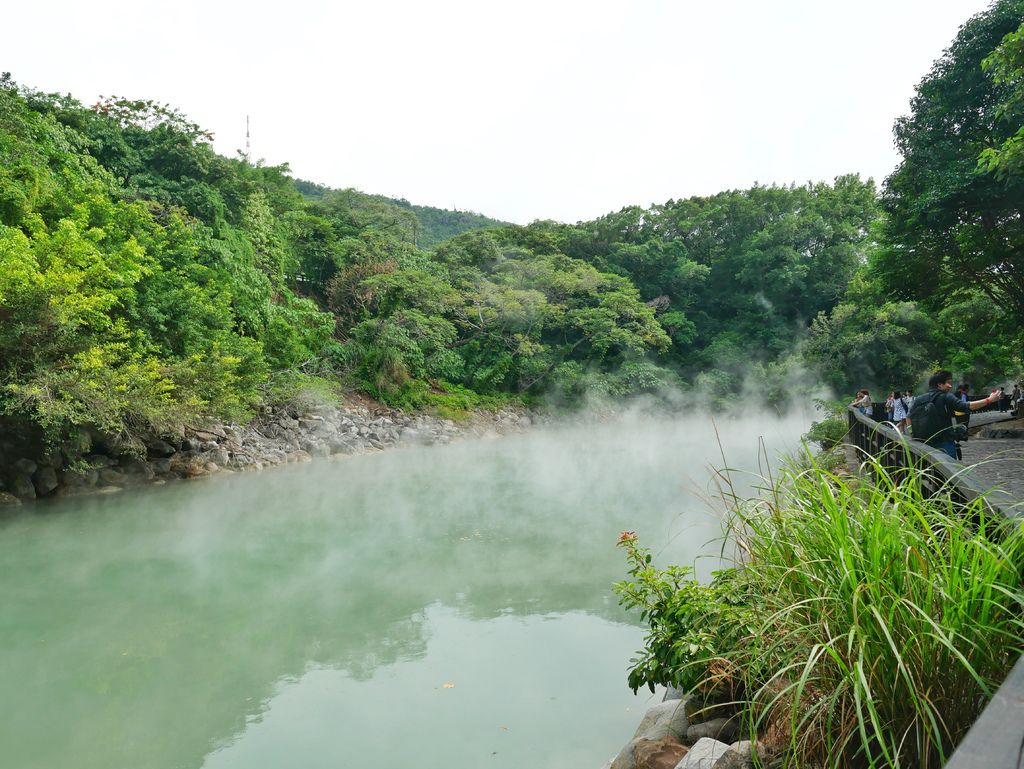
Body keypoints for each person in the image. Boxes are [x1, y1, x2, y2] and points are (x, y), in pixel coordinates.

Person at [909, 371, 1000, 459]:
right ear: (939, 384)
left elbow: (909, 416)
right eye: (948, 383)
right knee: (948, 469)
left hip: (924, 443)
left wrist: (911, 432)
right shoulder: (945, 396)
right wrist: (989, 400)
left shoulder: (919, 399)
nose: (950, 386)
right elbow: (965, 406)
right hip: (944, 443)